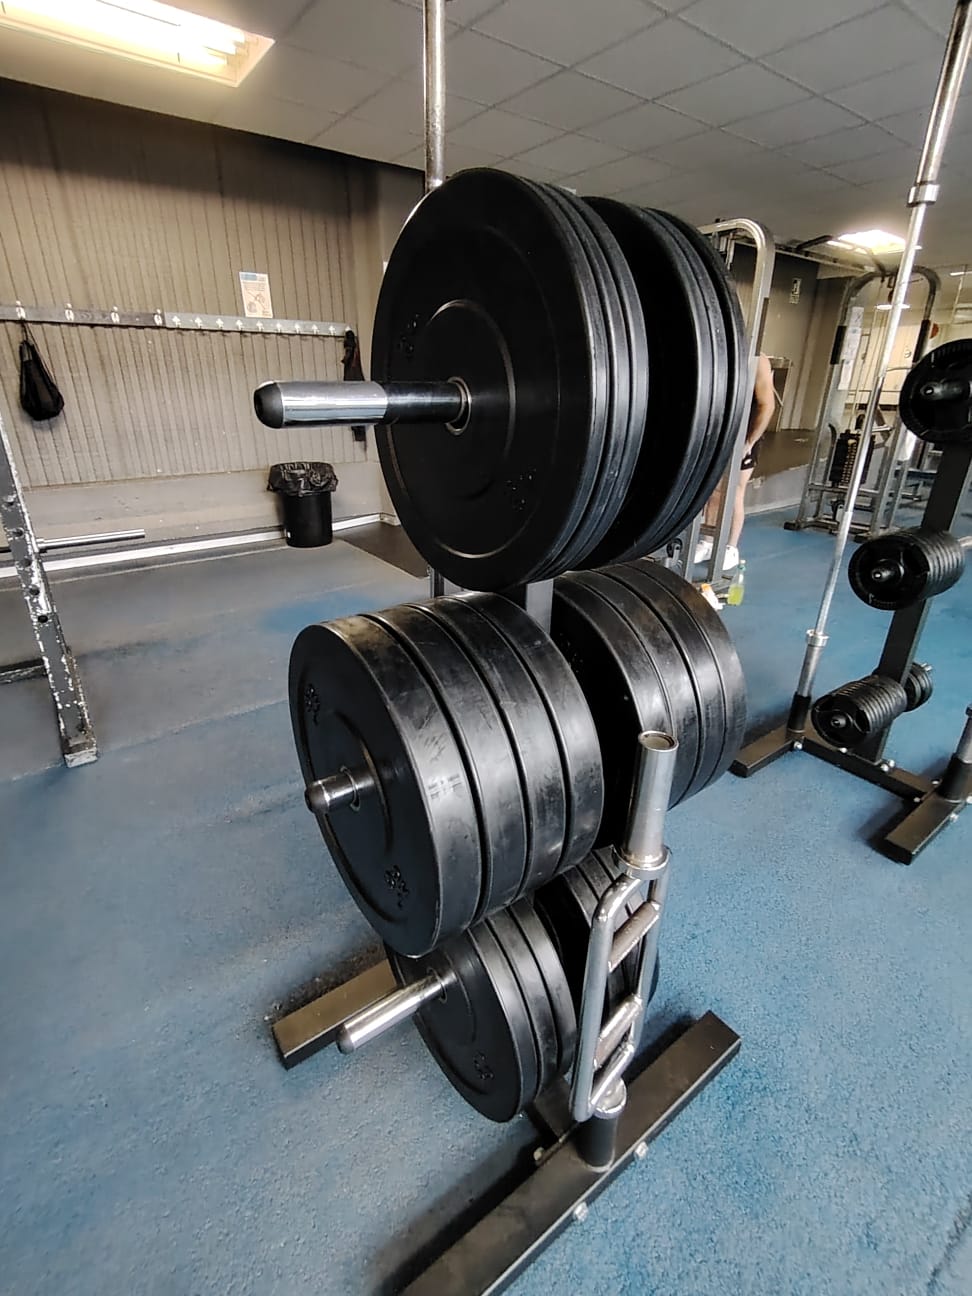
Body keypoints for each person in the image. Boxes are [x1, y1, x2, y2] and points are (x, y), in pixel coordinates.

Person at [695, 353, 775, 572]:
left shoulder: (758, 359)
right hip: (721, 435)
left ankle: (730, 548)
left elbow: (767, 405)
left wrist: (749, 442)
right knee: (712, 492)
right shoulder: (724, 352)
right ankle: (708, 542)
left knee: (734, 493)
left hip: (744, 437)